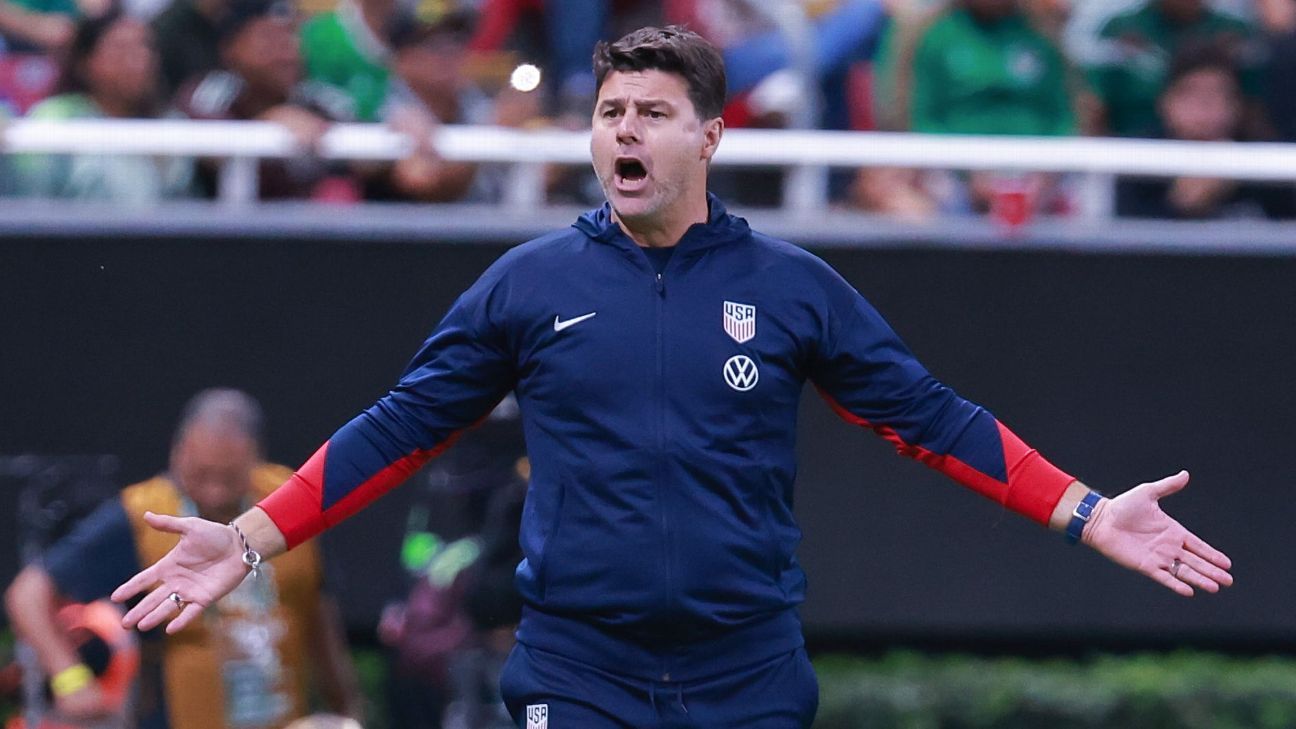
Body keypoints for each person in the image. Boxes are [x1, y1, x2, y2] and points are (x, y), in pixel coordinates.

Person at [113, 26, 1234, 729]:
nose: (626, 131)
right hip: (577, 667)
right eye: (611, 113)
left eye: (652, 113)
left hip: (747, 670)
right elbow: (400, 428)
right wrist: (249, 537)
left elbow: (932, 420)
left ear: (709, 137)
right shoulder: (528, 284)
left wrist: (1090, 512)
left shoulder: (791, 287)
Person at [7, 389, 362, 729]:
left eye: (229, 477)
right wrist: (70, 679)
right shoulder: (143, 516)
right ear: (178, 453)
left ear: (256, 457)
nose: (215, 491)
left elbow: (318, 611)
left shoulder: (286, 498)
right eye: (201, 474)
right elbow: (27, 594)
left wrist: (345, 704)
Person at [12, 10, 196, 202]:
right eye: (122, 49)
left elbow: (185, 202)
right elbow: (33, 199)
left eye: (146, 47)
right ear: (84, 62)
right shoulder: (56, 118)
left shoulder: (170, 123)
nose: (140, 59)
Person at [1116, 43, 1296, 220]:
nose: (1206, 107)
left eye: (1220, 94)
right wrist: (1180, 206)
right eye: (1192, 93)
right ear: (1166, 102)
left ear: (1238, 104)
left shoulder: (1266, 163)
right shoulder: (1136, 163)